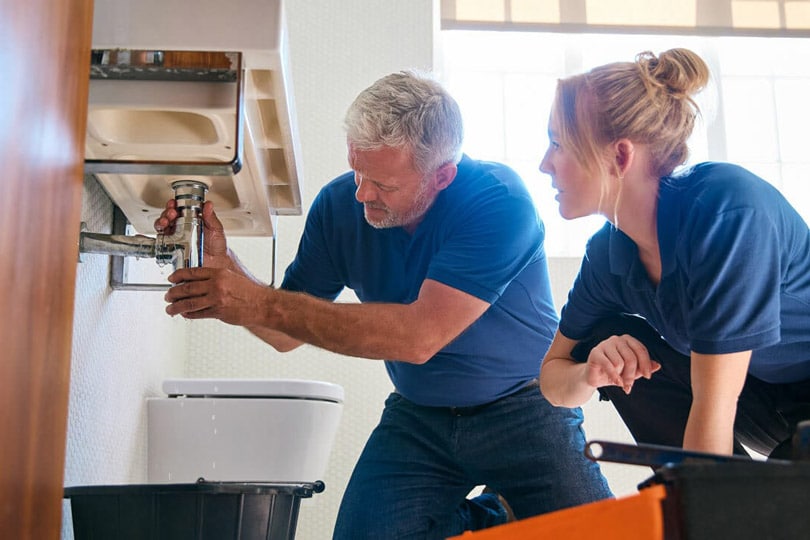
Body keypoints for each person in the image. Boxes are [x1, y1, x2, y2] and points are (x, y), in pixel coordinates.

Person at [156, 70, 612, 538]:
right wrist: (224, 267)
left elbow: (418, 339)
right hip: (420, 415)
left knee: (605, 534)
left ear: (442, 177)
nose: (362, 193)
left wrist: (255, 302)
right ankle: (494, 516)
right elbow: (283, 331)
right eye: (358, 170)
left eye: (384, 185)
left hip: (525, 408)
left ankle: (504, 514)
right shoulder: (340, 206)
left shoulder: (499, 202)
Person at [537, 48, 810, 460]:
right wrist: (590, 371)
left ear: (620, 155)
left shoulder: (728, 213)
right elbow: (551, 377)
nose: (545, 165)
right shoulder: (607, 256)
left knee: (775, 507)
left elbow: (714, 408)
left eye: (558, 143)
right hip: (760, 400)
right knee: (605, 337)